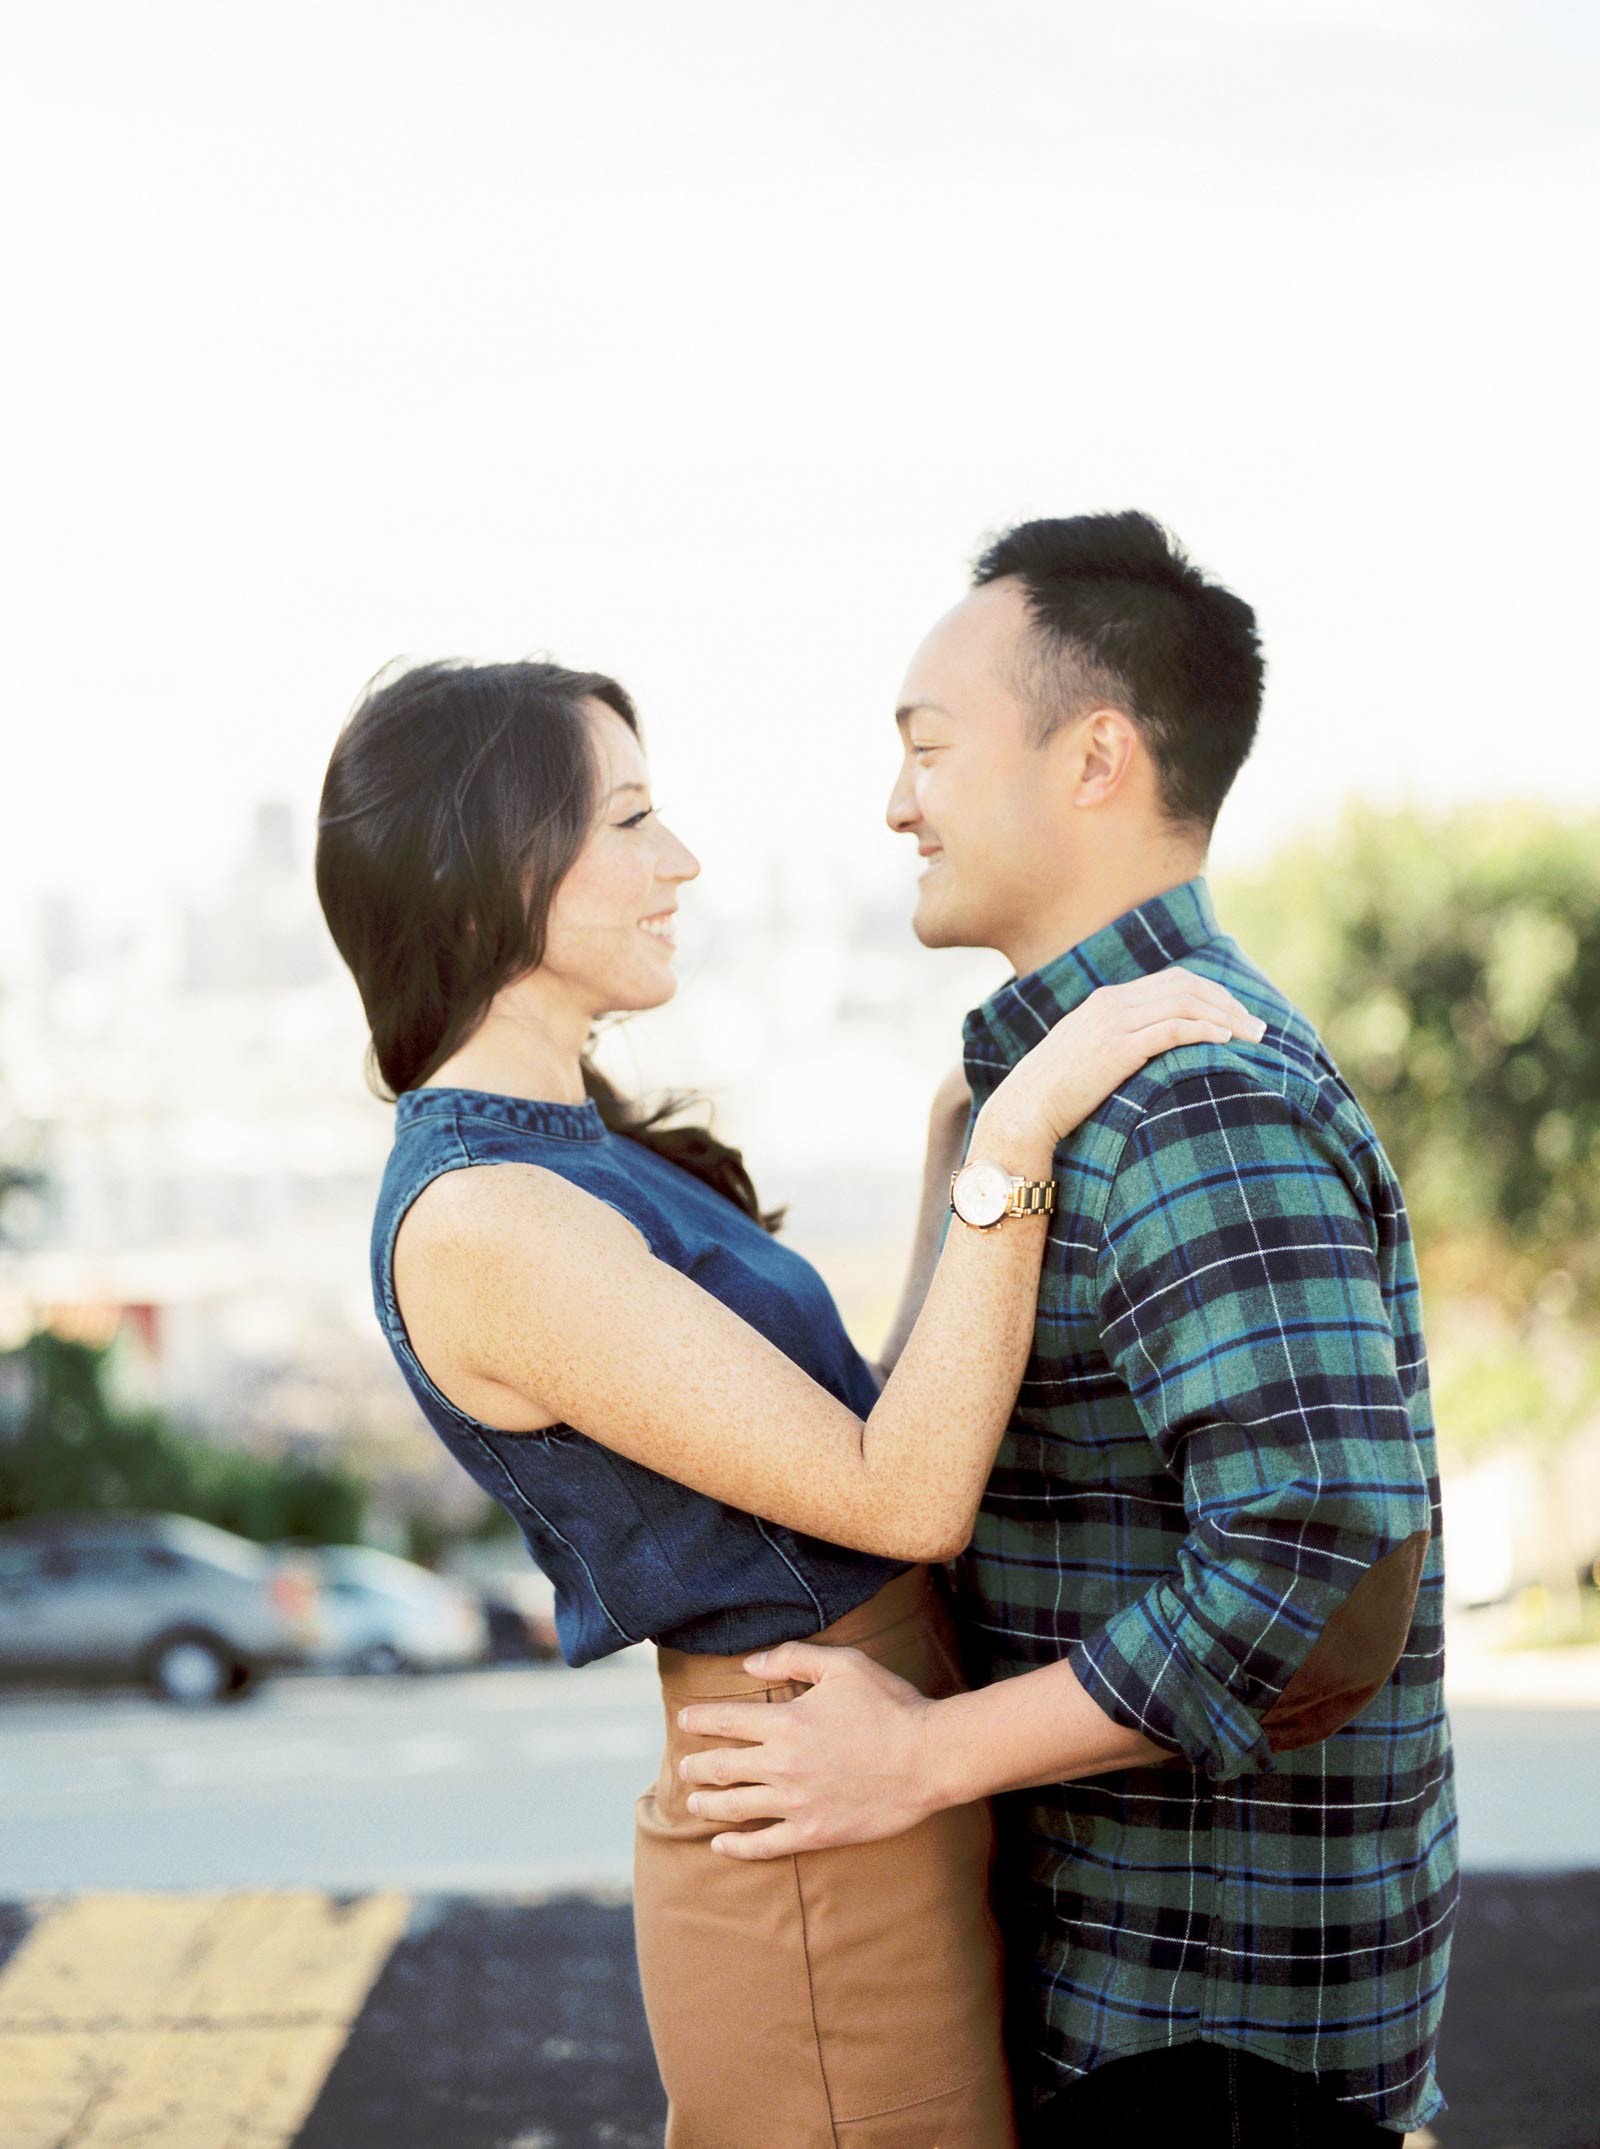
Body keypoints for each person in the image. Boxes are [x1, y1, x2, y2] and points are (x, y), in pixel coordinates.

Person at [314, 654, 1262, 2149]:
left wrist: (961, 1153)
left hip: (871, 1767)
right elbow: (904, 1494)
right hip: (819, 1843)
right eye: (630, 818)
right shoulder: (488, 1215)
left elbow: (853, 1434)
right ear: (492, 869)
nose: (676, 858)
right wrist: (1019, 1133)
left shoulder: (567, 1149)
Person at [678, 513, 1459, 2148]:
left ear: (1095, 755)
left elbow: (1306, 1541)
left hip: (1209, 2039)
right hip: (1149, 2005)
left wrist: (924, 1758)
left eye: (930, 747)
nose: (898, 800)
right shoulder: (1054, 1092)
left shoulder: (1190, 1099)